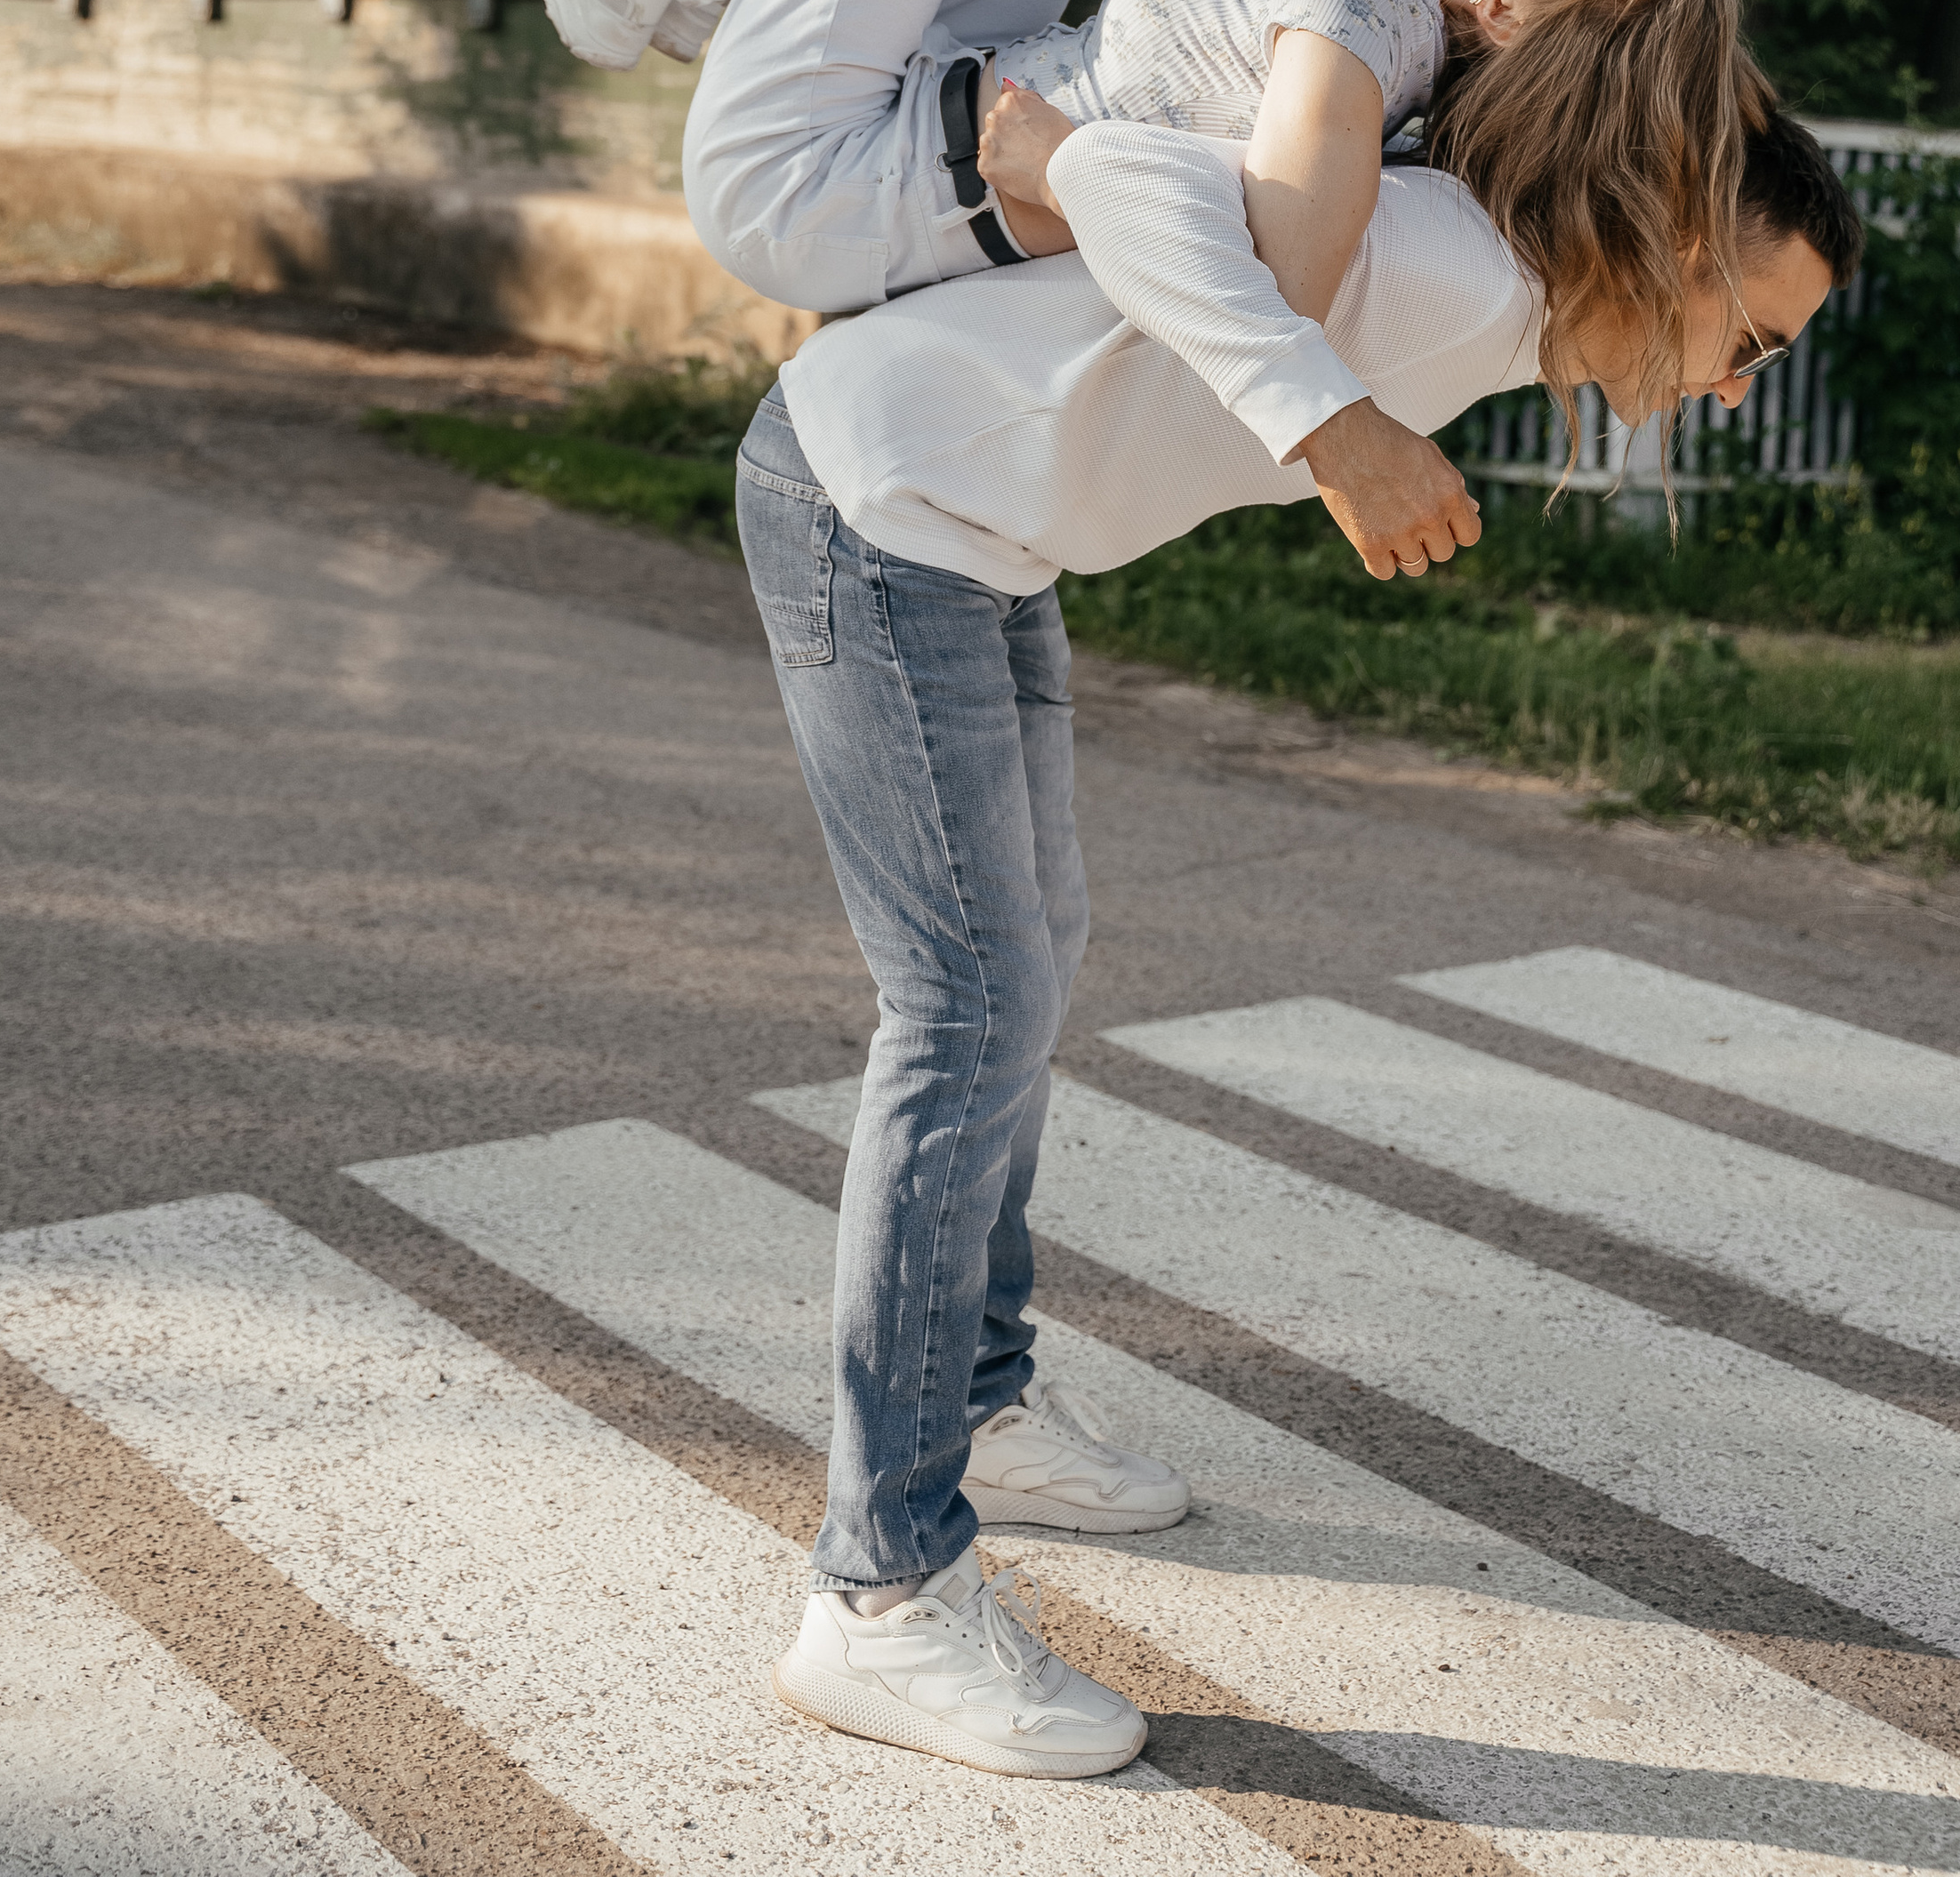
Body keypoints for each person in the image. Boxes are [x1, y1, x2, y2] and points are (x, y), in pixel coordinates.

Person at [738, 99, 1862, 1781]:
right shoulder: (1452, 271)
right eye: (1750, 335)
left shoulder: (1494, 296)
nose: (1734, 385)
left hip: (981, 534)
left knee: (1029, 955)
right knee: (968, 1010)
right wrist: (1328, 426)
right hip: (874, 498)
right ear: (1679, 248)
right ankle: (882, 1592)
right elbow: (1140, 184)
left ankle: (978, 1397)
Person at [487, 0, 1740, 571]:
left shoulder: (1363, 30)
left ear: (1510, 16)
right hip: (913, 107)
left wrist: (1333, 432)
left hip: (821, 182)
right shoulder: (1373, 16)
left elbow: (1288, 274)